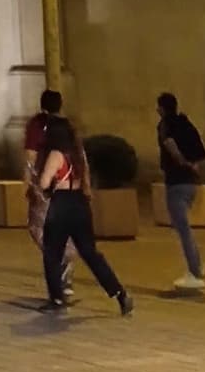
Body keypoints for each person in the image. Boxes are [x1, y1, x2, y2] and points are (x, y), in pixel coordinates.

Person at [37, 114, 133, 317]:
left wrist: (45, 181)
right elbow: (87, 182)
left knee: (52, 253)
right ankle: (119, 293)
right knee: (90, 253)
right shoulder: (78, 153)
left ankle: (56, 297)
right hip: (80, 204)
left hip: (61, 204)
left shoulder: (56, 154)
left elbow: (44, 183)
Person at [24, 87, 73, 298]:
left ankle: (59, 274)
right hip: (68, 184)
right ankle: (65, 273)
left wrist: (28, 182)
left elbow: (30, 155)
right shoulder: (67, 125)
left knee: (39, 228)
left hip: (46, 184)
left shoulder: (37, 124)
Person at [157, 89, 205, 290]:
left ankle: (194, 272)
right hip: (191, 183)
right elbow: (199, 151)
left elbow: (169, 144)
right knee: (185, 227)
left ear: (161, 108)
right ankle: (196, 265)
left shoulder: (165, 125)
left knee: (183, 229)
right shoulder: (187, 124)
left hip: (176, 182)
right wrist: (193, 166)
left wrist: (182, 162)